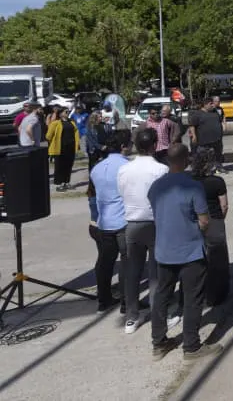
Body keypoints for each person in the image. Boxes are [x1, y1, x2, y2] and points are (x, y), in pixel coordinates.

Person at [148, 144, 221, 361]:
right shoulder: (192, 186)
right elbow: (204, 220)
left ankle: (159, 342)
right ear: (186, 159)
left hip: (164, 249)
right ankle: (191, 346)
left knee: (162, 295)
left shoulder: (156, 187)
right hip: (190, 252)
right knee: (192, 298)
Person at [118, 128, 170, 334]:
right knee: (155, 272)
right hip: (154, 222)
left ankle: (131, 316)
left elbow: (123, 192)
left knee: (133, 271)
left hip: (132, 222)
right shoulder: (160, 170)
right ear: (155, 145)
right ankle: (158, 314)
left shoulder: (124, 169)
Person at [89, 130, 130, 313]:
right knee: (127, 262)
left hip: (104, 221)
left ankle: (103, 299)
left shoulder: (97, 167)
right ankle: (126, 302)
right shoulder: (126, 166)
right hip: (122, 220)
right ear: (123, 147)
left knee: (105, 262)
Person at [192, 148, 230, 306]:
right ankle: (217, 295)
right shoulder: (217, 182)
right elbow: (224, 205)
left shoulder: (191, 181)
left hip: (194, 221)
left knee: (198, 259)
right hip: (214, 220)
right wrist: (220, 219)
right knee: (218, 259)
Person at [46, 107, 79, 191]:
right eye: (66, 112)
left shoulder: (72, 122)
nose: (68, 113)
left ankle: (67, 182)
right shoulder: (55, 123)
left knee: (69, 165)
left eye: (68, 111)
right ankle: (59, 184)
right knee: (60, 166)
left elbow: (76, 132)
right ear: (60, 114)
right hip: (60, 148)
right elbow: (48, 136)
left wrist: (77, 144)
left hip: (70, 147)